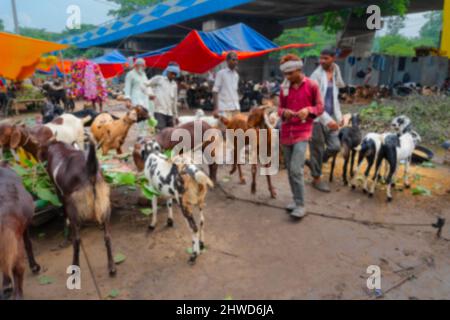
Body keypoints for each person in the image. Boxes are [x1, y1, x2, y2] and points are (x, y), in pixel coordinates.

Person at [278, 54, 324, 220]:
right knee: (290, 170)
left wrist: (308, 111)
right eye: (285, 74)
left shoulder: (312, 85)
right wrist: (285, 112)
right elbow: (279, 109)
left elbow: (320, 107)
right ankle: (296, 200)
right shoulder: (284, 88)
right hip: (286, 132)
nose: (287, 77)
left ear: (299, 69)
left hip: (303, 132)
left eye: (290, 73)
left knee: (296, 169)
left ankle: (301, 205)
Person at [309, 48, 345, 193]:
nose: (322, 61)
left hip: (332, 116)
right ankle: (316, 178)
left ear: (333, 58)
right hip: (317, 119)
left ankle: (314, 164)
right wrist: (328, 121)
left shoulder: (336, 71)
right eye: (321, 58)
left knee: (335, 146)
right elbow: (314, 102)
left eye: (325, 58)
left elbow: (334, 98)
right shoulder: (316, 75)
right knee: (316, 149)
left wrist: (340, 117)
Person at [149, 62, 180, 131]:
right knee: (160, 132)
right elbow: (146, 84)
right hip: (159, 111)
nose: (173, 76)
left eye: (175, 74)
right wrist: (150, 94)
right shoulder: (159, 79)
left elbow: (174, 101)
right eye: (172, 73)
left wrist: (176, 116)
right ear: (167, 71)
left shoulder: (174, 85)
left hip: (169, 113)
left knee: (170, 133)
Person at [213, 52, 240, 118]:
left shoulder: (236, 75)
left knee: (237, 128)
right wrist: (216, 108)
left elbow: (234, 90)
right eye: (233, 60)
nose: (235, 62)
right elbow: (215, 91)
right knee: (225, 128)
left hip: (236, 108)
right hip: (224, 109)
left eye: (236, 60)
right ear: (227, 61)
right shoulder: (221, 73)